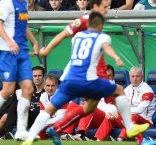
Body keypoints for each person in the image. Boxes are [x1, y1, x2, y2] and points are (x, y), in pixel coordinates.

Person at [22, 12, 149, 145]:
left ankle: (32, 137)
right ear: (100, 25)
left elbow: (62, 37)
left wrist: (45, 51)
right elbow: (107, 48)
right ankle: (130, 128)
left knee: (53, 109)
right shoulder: (101, 37)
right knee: (118, 90)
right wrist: (116, 57)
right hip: (88, 81)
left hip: (69, 80)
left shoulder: (77, 37)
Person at [0, 0, 39, 144]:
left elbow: (23, 27)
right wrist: (10, 41)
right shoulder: (6, 3)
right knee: (9, 89)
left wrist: (34, 42)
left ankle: (21, 130)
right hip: (6, 52)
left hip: (21, 51)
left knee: (28, 89)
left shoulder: (23, 4)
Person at [94, 66, 156, 145]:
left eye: (137, 76)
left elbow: (140, 110)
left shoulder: (147, 90)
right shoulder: (127, 89)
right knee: (111, 117)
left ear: (142, 77)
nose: (135, 79)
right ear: (129, 77)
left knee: (133, 116)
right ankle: (98, 140)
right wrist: (112, 112)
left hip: (145, 121)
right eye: (132, 76)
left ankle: (121, 139)